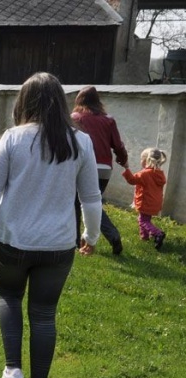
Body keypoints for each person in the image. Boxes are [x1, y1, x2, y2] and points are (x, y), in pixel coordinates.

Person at [0, 72, 102, 378]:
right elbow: (91, 199)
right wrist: (91, 237)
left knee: (9, 297)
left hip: (13, 241)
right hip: (58, 246)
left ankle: (12, 368)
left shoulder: (13, 138)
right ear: (60, 103)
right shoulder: (81, 142)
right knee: (44, 315)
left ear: (23, 102)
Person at [71, 86, 128, 255]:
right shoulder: (108, 120)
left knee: (78, 203)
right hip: (104, 169)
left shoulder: (75, 118)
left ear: (79, 101)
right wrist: (123, 161)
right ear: (98, 102)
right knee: (93, 202)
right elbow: (118, 145)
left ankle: (75, 242)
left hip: (83, 166)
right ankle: (111, 236)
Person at [122, 147, 168, 250]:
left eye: (141, 159)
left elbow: (132, 180)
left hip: (146, 201)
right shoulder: (159, 174)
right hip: (155, 202)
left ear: (147, 160)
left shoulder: (144, 174)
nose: (140, 161)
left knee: (142, 220)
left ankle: (158, 233)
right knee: (146, 219)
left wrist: (126, 168)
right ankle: (144, 237)